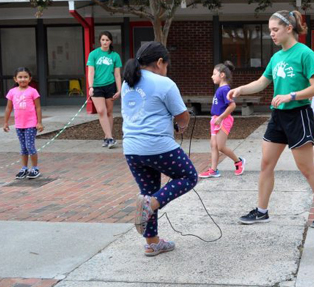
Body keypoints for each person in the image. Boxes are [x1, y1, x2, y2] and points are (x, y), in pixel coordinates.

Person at [228, 10, 314, 228]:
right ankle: (261, 211)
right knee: (266, 164)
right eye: (270, 31)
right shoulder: (276, 57)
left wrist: (291, 95)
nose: (272, 34)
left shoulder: (304, 54)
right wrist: (240, 89)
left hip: (299, 115)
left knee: (306, 169)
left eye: (275, 30)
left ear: (289, 28)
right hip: (278, 116)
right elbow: (261, 82)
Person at [122, 42, 198, 256]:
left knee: (147, 191)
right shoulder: (165, 83)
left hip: (131, 148)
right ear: (159, 62)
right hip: (157, 145)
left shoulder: (127, 82)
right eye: (167, 65)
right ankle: (151, 204)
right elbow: (182, 116)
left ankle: (152, 243)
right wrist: (181, 126)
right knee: (189, 176)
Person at [199, 61, 246, 178]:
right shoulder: (220, 89)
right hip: (215, 119)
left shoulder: (225, 89)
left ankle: (238, 161)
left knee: (220, 146)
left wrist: (220, 118)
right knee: (213, 146)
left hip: (223, 120)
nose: (212, 76)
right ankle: (213, 170)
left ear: (222, 75)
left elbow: (232, 105)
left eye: (214, 74)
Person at [3, 67, 44, 179]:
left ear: (30, 79)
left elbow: (38, 108)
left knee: (30, 146)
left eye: (25, 77)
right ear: (15, 79)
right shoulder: (12, 92)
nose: (23, 79)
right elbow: (8, 108)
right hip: (19, 125)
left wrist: (39, 122)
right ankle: (24, 168)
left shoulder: (33, 91)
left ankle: (35, 168)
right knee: (23, 147)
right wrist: (5, 122)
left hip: (31, 124)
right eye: (20, 77)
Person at [86, 31, 122, 149]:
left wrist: (119, 90)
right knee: (101, 111)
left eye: (107, 40)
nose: (105, 42)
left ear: (110, 41)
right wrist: (90, 86)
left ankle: (107, 138)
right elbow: (91, 71)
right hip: (97, 87)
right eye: (103, 40)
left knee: (109, 112)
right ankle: (110, 137)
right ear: (100, 41)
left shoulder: (115, 55)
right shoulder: (93, 54)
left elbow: (117, 75)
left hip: (110, 86)